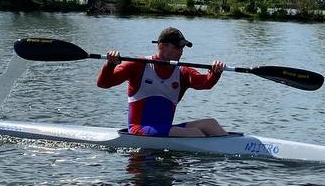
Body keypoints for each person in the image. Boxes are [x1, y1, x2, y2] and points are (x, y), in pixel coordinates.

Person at [97, 26, 228, 137]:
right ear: (162, 46)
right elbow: (103, 83)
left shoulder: (182, 72)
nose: (181, 52)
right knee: (194, 133)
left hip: (165, 129)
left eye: (182, 48)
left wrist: (215, 72)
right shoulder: (138, 65)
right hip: (139, 130)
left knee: (210, 124)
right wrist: (110, 65)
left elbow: (205, 83)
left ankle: (233, 147)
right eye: (177, 47)